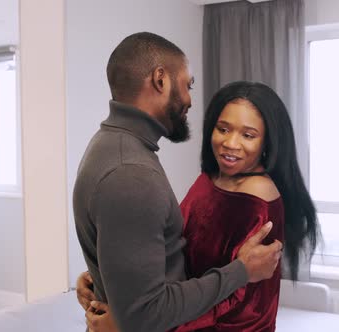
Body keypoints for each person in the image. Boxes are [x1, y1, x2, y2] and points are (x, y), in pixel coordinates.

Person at [73, 32, 283, 332]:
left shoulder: (108, 146)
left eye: (248, 134)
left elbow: (150, 249)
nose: (189, 100)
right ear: (161, 80)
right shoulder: (131, 173)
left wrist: (107, 278)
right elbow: (144, 313)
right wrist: (240, 272)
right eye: (188, 85)